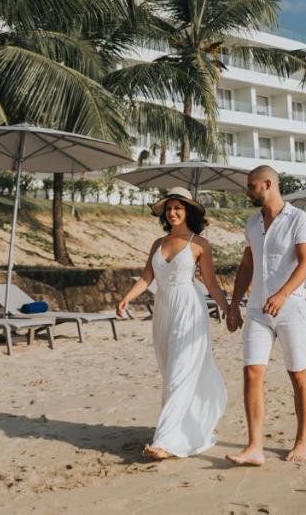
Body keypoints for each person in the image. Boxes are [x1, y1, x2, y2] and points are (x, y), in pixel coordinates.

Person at [116, 187, 229, 460]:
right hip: (164, 309)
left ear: (187, 210)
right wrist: (126, 299)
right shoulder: (157, 243)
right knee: (170, 371)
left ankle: (165, 441)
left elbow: (211, 283)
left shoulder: (199, 244)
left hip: (189, 309)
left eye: (178, 207)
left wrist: (228, 309)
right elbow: (146, 278)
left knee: (180, 371)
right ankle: (179, 428)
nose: (173, 212)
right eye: (169, 208)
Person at [225, 165, 306, 465]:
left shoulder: (298, 219)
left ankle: (302, 441)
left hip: (290, 309)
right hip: (257, 311)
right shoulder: (252, 223)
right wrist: (234, 304)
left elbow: (305, 263)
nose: (248, 192)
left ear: (268, 184)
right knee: (251, 372)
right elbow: (247, 265)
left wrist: (283, 294)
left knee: (298, 375)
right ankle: (255, 447)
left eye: (251, 186)